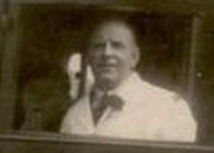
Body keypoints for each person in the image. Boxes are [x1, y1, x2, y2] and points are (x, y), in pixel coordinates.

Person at [60, 16, 197, 142]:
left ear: (134, 56)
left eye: (117, 45)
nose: (107, 53)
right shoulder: (73, 115)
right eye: (99, 46)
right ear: (89, 57)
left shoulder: (168, 108)